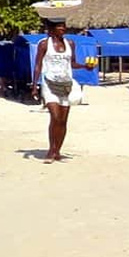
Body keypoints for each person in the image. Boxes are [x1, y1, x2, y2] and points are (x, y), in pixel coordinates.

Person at [32, 19, 81, 162]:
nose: (63, 29)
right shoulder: (44, 44)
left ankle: (57, 150)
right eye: (59, 27)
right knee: (55, 116)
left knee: (63, 120)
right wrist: (35, 85)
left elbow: (72, 63)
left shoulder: (70, 44)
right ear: (52, 29)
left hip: (65, 84)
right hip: (49, 84)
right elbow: (38, 65)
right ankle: (51, 151)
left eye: (64, 27)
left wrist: (85, 66)